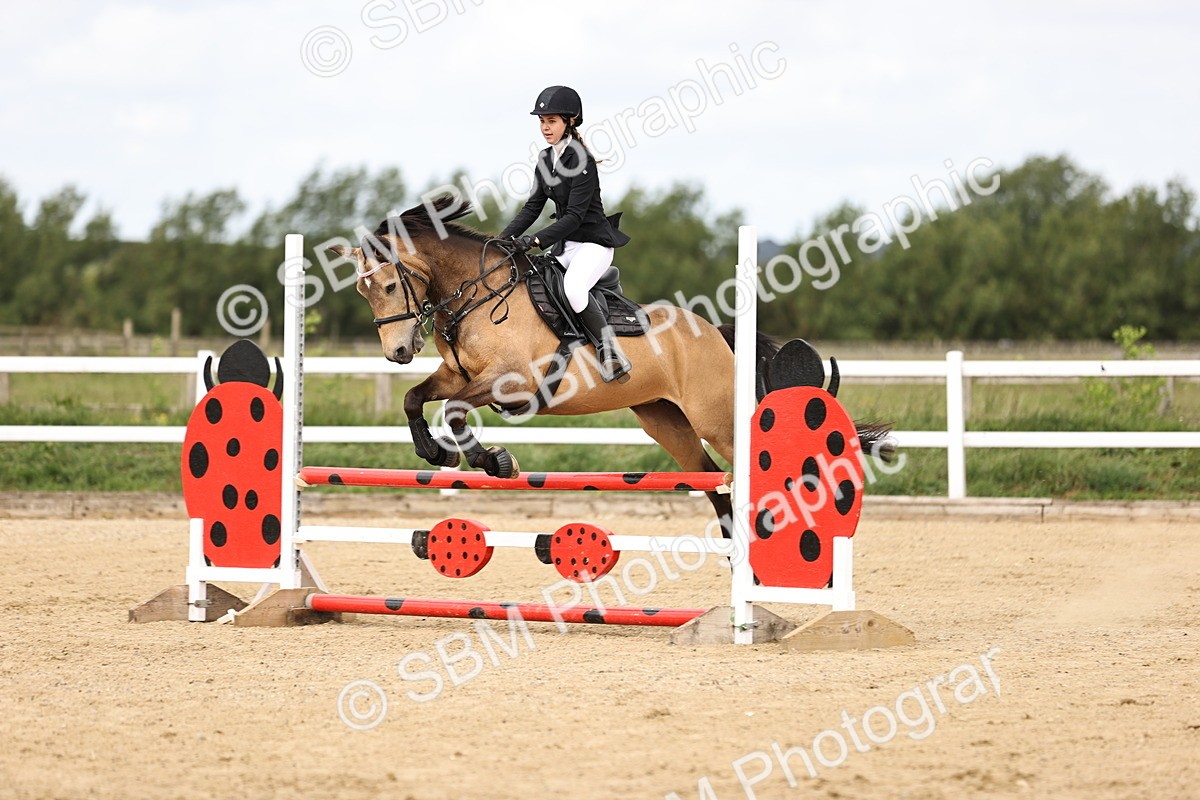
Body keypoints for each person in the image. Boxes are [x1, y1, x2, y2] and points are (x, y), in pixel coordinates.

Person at [500, 85, 631, 383]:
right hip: (566, 246)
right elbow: (532, 208)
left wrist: (535, 240)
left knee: (573, 288)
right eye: (542, 121)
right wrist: (501, 239)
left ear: (569, 122)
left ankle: (610, 351)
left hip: (594, 245)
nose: (545, 128)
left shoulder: (582, 161)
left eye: (552, 121)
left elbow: (574, 217)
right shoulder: (545, 159)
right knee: (531, 281)